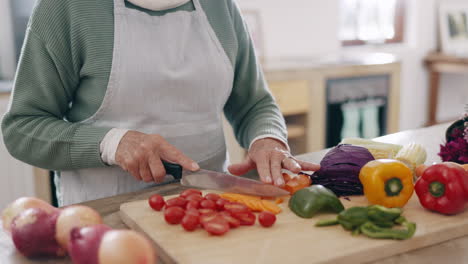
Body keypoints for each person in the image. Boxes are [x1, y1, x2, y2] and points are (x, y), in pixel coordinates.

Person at [1, 0, 319, 206]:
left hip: (209, 204)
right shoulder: (66, 8)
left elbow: (255, 103)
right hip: (104, 216)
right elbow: (23, 128)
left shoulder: (221, 7)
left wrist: (267, 138)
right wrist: (112, 143)